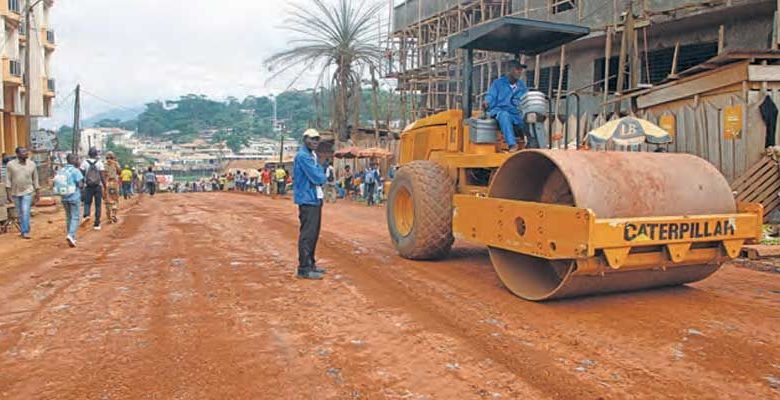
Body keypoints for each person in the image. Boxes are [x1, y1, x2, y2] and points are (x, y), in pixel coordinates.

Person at [293, 129, 327, 280]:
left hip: (314, 198)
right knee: (307, 235)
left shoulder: (310, 156)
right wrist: (321, 175)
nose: (315, 142)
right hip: (308, 199)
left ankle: (311, 264)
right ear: (305, 139)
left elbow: (319, 175)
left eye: (317, 139)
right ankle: (304, 268)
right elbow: (318, 177)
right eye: (312, 139)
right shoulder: (303, 157)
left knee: (313, 234)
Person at [483, 60, 529, 152]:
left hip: (515, 114)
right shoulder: (498, 83)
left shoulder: (522, 86)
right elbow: (491, 95)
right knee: (504, 115)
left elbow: (525, 99)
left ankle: (533, 144)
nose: (520, 72)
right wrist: (487, 102)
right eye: (517, 69)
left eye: (521, 70)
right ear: (509, 70)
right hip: (499, 112)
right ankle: (512, 144)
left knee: (530, 118)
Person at [4, 147, 40, 239]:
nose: (26, 153)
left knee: (25, 210)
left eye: (26, 151)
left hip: (28, 191)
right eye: (23, 152)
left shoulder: (32, 164)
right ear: (17, 154)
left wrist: (37, 191)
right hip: (15, 192)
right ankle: (24, 229)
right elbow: (7, 179)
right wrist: (8, 193)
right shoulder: (10, 165)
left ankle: (25, 231)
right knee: (20, 212)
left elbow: (35, 178)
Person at [56, 154, 84, 247]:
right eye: (77, 159)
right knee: (75, 217)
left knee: (68, 217)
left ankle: (71, 235)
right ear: (74, 160)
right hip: (74, 196)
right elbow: (80, 184)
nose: (78, 161)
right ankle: (71, 235)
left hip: (64, 197)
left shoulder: (61, 170)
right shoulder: (76, 171)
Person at [80, 147, 106, 230]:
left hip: (88, 186)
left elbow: (82, 175)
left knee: (87, 203)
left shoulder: (84, 163)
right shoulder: (100, 163)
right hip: (98, 186)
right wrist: (105, 186)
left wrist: (82, 185)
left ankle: (86, 215)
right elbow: (102, 176)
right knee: (98, 205)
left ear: (88, 154)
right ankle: (97, 224)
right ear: (96, 154)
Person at [104, 152, 122, 224]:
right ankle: (114, 213)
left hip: (107, 183)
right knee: (115, 199)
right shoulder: (115, 164)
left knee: (107, 200)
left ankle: (109, 218)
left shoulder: (104, 165)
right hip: (114, 183)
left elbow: (103, 175)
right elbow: (119, 172)